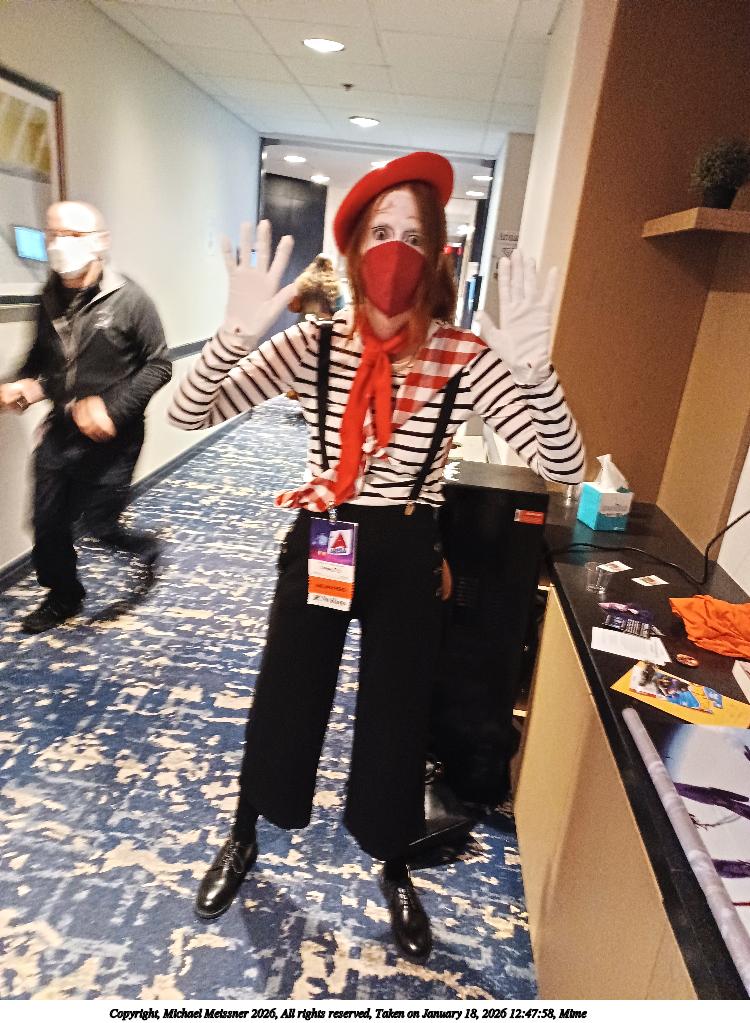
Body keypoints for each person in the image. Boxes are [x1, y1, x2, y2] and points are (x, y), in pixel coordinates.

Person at [167, 152, 585, 961]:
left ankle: (393, 858)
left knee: (399, 712)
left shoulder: (463, 355)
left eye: (415, 236)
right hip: (327, 532)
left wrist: (538, 373)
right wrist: (230, 338)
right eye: (382, 232)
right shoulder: (315, 343)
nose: (397, 250)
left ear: (438, 254)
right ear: (356, 248)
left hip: (405, 545)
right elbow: (190, 412)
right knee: (287, 691)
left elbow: (560, 462)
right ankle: (247, 827)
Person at [0, 201, 171, 634]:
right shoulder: (47, 299)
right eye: (53, 234)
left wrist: (112, 409)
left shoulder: (130, 299)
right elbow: (40, 360)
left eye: (73, 235)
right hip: (60, 431)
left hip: (115, 436)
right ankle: (63, 596)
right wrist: (20, 384)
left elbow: (158, 364)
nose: (60, 244)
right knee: (46, 522)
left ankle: (146, 548)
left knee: (99, 524)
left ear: (100, 242)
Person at [287, 253, 343, 319]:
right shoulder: (335, 284)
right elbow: (340, 307)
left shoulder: (303, 280)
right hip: (332, 320)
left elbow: (293, 306)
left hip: (311, 321)